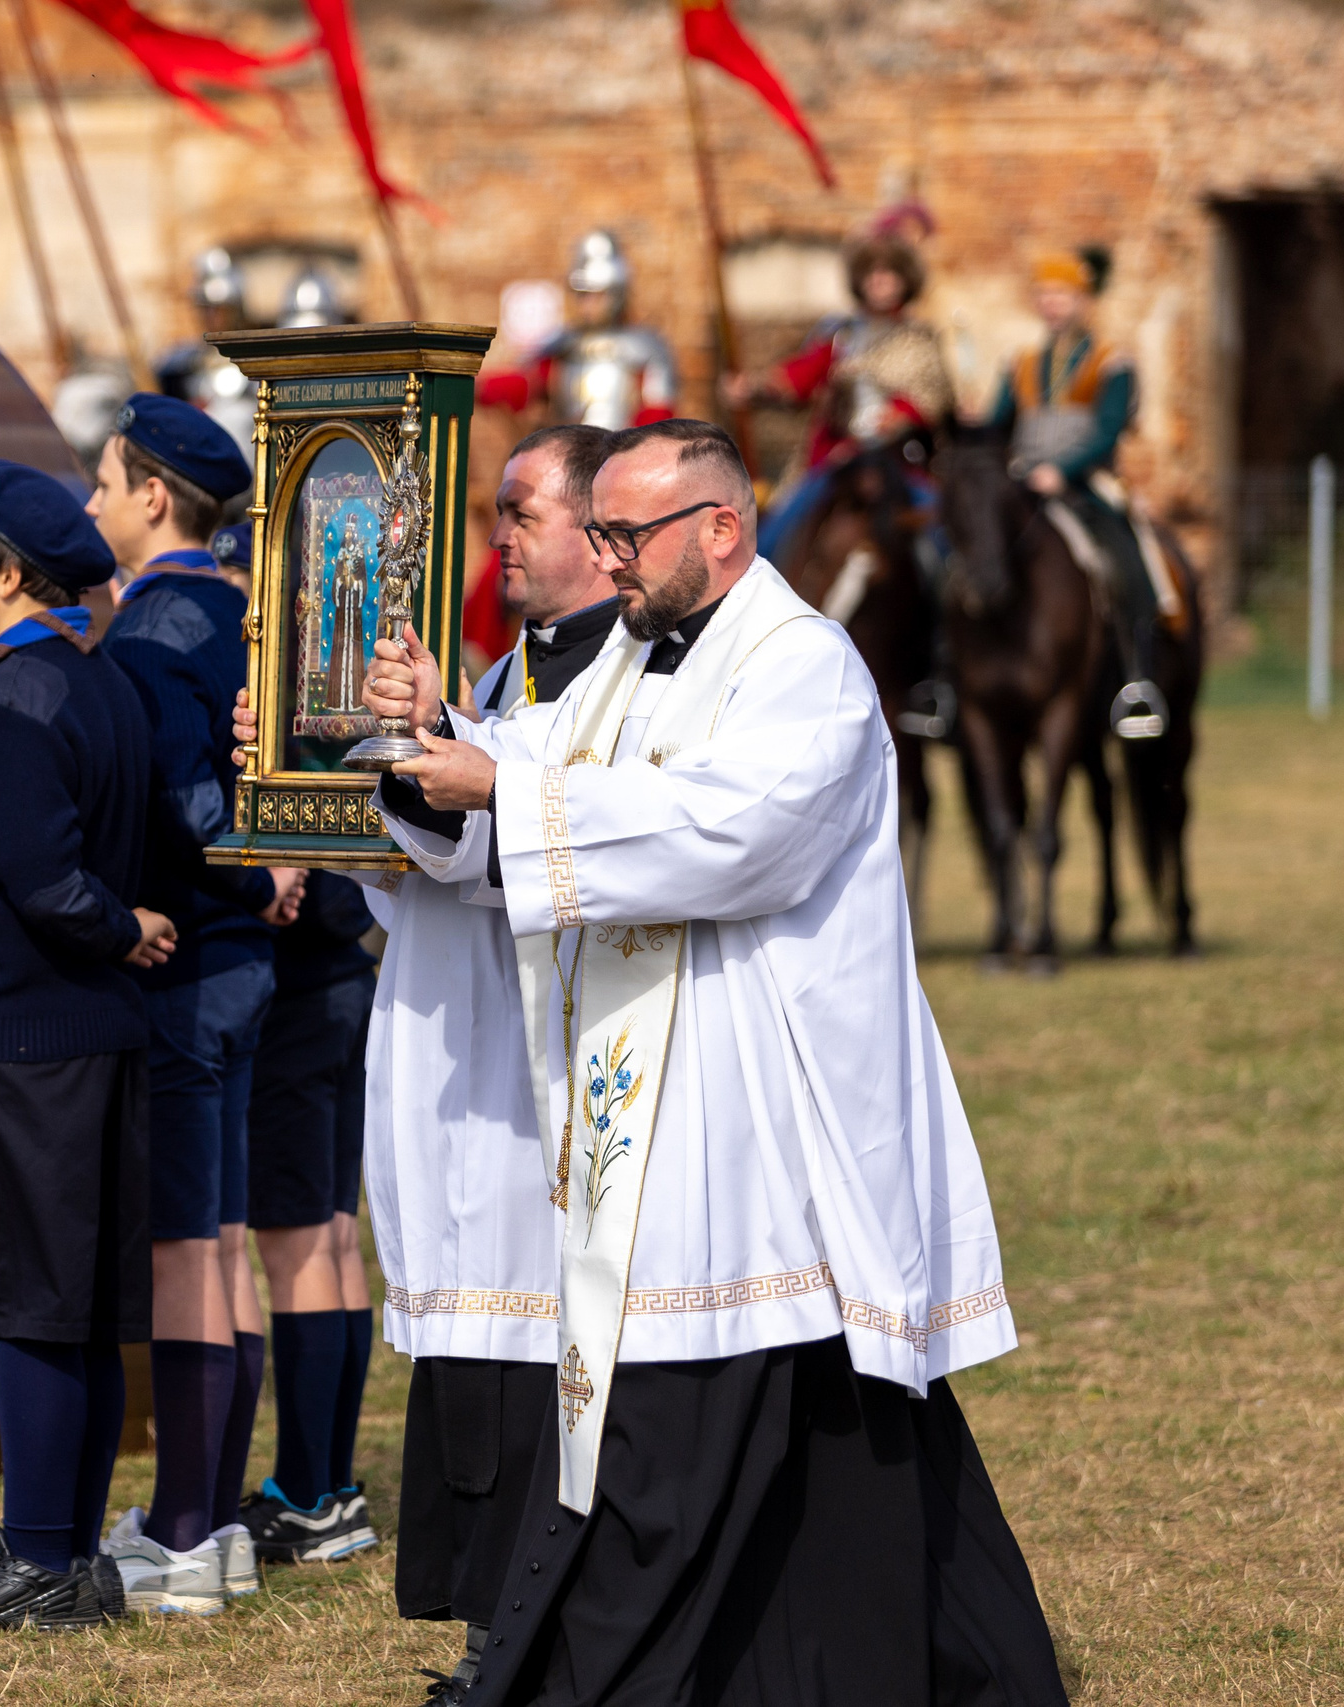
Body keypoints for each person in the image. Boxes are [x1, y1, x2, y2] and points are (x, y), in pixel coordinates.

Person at [365, 420, 1067, 1706]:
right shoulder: (625, 667)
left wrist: (500, 790)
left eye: (626, 536)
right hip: (663, 1108)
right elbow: (534, 767)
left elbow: (736, 831)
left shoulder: (803, 664)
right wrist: (434, 742)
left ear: (721, 528)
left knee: (723, 1420)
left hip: (765, 1101)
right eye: (599, 533)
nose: (607, 559)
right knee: (783, 1419)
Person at [227, 424, 626, 1695]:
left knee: (543, 1355)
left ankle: (544, 1642)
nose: (498, 537)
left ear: (602, 534)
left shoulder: (631, 684)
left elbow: (551, 831)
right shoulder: (507, 676)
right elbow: (425, 864)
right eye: (496, 512)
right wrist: (304, 773)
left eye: (522, 513)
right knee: (471, 1357)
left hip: (544, 1065)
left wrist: (443, 742)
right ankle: (489, 1633)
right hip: (452, 1034)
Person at [0, 460, 176, 1638]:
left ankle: (40, 1557)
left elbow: (41, 878)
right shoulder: (89, 681)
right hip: (78, 1040)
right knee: (76, 1306)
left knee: (29, 1303)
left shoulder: (14, 700)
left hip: (17, 1042)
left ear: (9, 576)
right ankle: (68, 1556)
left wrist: (116, 926)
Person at [88, 393, 306, 1615]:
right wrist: (279, 868)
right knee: (219, 1244)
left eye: (104, 484)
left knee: (187, 1249)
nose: (92, 507)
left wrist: (247, 872)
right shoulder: (238, 609)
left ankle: (181, 1537)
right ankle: (211, 1525)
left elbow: (182, 800)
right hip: (248, 960)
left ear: (153, 496)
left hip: (189, 960)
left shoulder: (152, 629)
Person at [234, 866, 381, 1565]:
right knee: (333, 1240)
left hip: (296, 993)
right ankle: (333, 1489)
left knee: (302, 1246)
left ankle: (304, 1496)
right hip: (346, 978)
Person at [986, 247, 1171, 739]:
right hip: (1024, 483)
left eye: (1062, 294)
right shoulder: (1022, 364)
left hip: (1087, 484)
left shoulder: (1112, 362)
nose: (1052, 303)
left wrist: (1062, 471)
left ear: (1082, 300)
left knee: (1129, 561)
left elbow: (1108, 431)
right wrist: (975, 425)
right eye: (1044, 294)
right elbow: (999, 424)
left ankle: (1137, 679)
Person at [725, 233, 953, 570]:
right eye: (872, 273)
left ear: (904, 280)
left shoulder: (919, 341)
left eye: (888, 273)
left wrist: (879, 432)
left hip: (899, 458)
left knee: (942, 525)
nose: (879, 280)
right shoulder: (842, 337)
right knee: (776, 530)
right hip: (836, 458)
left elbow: (928, 401)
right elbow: (800, 376)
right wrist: (753, 386)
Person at [476, 232, 680, 432]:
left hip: (623, 448)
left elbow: (657, 417)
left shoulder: (646, 347)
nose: (587, 304)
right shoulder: (562, 343)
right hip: (570, 448)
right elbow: (526, 385)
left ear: (616, 294)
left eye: (597, 295)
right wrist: (475, 386)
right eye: (582, 295)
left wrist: (632, 449)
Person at [155, 247, 257, 453]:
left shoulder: (255, 357)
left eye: (218, 309)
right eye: (205, 308)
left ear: (235, 309)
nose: (211, 316)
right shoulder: (181, 361)